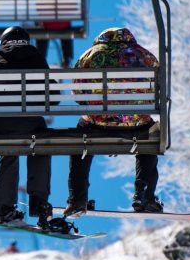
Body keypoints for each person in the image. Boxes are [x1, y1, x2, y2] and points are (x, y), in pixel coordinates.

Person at [65, 27, 163, 216]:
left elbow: (77, 93)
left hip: (97, 123)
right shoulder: (144, 55)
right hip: (136, 123)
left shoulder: (89, 55)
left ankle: (77, 199)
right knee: (151, 135)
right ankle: (144, 195)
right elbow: (158, 91)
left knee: (80, 138)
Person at [0, 26, 67, 232]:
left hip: (0, 124)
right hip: (30, 123)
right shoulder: (36, 58)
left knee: (9, 150)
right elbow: (53, 97)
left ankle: (3, 206)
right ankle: (39, 203)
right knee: (41, 146)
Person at [35, 0, 74, 67]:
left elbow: (38, 8)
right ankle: (67, 58)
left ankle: (40, 59)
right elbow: (73, 8)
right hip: (64, 24)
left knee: (41, 32)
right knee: (67, 33)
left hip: (47, 24)